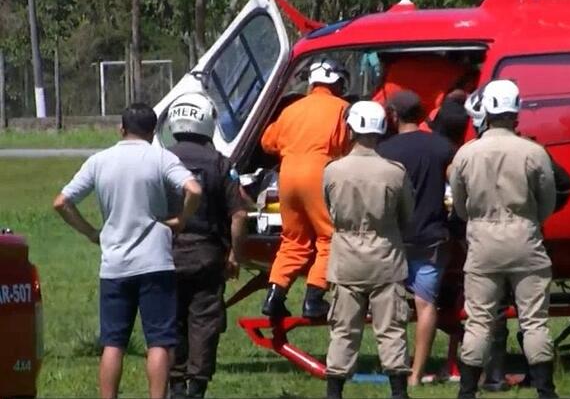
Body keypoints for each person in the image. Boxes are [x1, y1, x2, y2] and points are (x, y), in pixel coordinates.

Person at [53, 103, 202, 399]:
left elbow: (61, 202)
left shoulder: (100, 161)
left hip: (115, 263)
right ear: (153, 131)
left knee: (113, 342)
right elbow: (194, 190)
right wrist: (181, 220)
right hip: (155, 261)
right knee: (159, 341)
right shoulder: (161, 157)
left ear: (121, 129)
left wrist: (91, 232)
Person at [449, 80, 559, 399]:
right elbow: (547, 201)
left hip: (483, 243)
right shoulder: (534, 152)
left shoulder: (466, 153)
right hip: (525, 239)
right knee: (535, 321)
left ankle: (467, 391)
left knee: (479, 320)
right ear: (516, 112)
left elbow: (459, 203)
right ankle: (545, 391)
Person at [323, 101, 414, 399]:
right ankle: (399, 392)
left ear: (352, 129)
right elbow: (406, 216)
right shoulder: (395, 172)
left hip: (346, 258)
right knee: (391, 329)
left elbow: (330, 210)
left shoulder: (333, 170)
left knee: (343, 329)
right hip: (386, 256)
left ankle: (334, 391)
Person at [164, 93, 248, 399]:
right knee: (205, 320)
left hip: (166, 253)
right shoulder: (220, 163)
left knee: (172, 319)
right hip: (207, 255)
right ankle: (197, 386)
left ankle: (175, 384)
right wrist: (234, 255)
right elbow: (238, 215)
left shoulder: (162, 159)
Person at [259, 58, 351, 319]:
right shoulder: (343, 108)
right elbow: (349, 144)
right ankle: (314, 298)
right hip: (320, 172)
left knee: (293, 240)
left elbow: (268, 141)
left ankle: (274, 295)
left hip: (288, 174)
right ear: (337, 81)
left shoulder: (291, 109)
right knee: (330, 237)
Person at [378, 90, 456, 387]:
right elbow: (458, 187)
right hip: (432, 236)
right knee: (426, 304)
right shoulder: (442, 146)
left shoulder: (385, 150)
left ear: (394, 116)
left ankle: (396, 365)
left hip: (395, 239)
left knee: (394, 306)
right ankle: (416, 374)